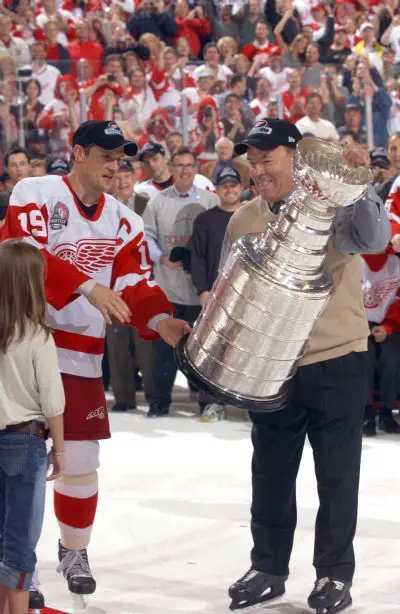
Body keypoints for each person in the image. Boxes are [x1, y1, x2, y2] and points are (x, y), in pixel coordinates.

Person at [0, 120, 190, 608]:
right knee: (17, 463)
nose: (114, 165)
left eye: (120, 158)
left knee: (81, 462)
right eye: (104, 155)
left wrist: (161, 319)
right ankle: (17, 566)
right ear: (78, 151)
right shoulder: (35, 191)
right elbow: (27, 255)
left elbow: (134, 283)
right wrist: (89, 285)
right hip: (22, 350)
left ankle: (73, 550)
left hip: (82, 354)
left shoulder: (124, 220)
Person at [221, 119, 391, 612]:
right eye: (252, 161)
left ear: (295, 159)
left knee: (336, 475)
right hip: (271, 368)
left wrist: (358, 186)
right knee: (269, 472)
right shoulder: (242, 221)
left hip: (336, 359)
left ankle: (334, 575)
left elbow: (374, 240)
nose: (257, 171)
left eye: (267, 159)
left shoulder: (335, 207)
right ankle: (268, 566)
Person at [0, 240, 65, 614]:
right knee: (21, 542)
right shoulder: (38, 336)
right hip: (24, 443)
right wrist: (60, 449)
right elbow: (53, 402)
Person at [143, 147, 220, 418]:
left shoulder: (210, 201)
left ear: (196, 168)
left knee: (202, 351)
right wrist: (161, 259)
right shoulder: (157, 202)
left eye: (190, 165)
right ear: (171, 168)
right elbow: (147, 238)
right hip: (168, 289)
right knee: (165, 350)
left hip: (201, 292)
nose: (185, 170)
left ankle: (206, 403)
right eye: (180, 165)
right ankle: (159, 402)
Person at [191, 167, 243, 422]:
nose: (230, 189)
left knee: (245, 352)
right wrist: (202, 290)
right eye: (225, 185)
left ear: (241, 188)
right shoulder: (205, 220)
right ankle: (211, 401)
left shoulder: (251, 216)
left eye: (234, 185)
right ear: (217, 189)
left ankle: (251, 404)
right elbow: (197, 259)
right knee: (212, 354)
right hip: (216, 297)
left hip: (248, 298)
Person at [107, 158, 155, 411]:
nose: (123, 180)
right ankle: (124, 397)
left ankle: (153, 396)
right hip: (114, 284)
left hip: (144, 283)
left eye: (127, 175)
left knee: (146, 342)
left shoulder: (149, 204)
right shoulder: (103, 207)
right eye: (118, 175)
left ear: (135, 177)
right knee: (116, 344)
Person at [361, 249, 400, 436]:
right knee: (363, 355)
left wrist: (388, 326)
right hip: (357, 323)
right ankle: (366, 411)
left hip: (387, 322)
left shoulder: (396, 264)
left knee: (392, 356)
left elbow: (398, 302)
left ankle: (386, 411)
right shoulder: (353, 262)